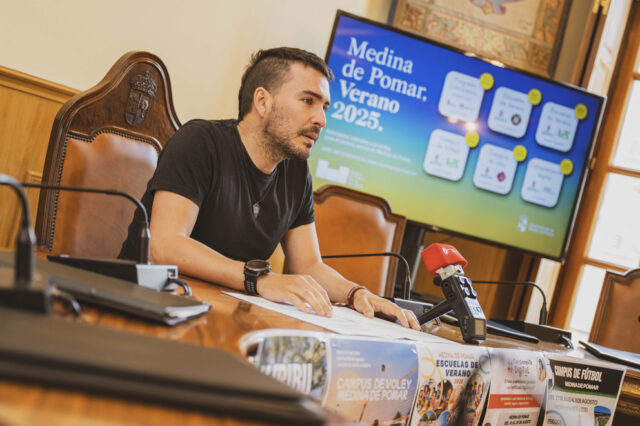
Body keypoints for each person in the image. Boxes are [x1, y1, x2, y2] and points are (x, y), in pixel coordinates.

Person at [119, 47, 420, 330]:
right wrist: (259, 279)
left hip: (218, 317)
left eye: (324, 107)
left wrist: (357, 294)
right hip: (142, 310)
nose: (322, 120)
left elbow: (309, 264)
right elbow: (165, 245)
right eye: (308, 101)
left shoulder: (296, 171)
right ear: (262, 101)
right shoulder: (200, 142)